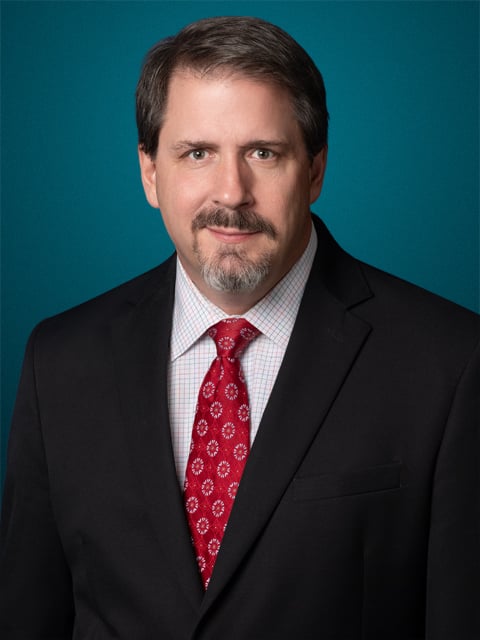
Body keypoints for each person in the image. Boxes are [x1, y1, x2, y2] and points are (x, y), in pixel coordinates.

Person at [0, 15, 478, 640]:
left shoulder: (449, 363)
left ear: (315, 170)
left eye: (263, 153)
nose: (231, 192)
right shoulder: (60, 362)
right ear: (150, 173)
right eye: (197, 153)